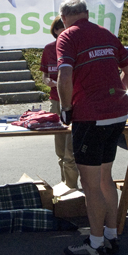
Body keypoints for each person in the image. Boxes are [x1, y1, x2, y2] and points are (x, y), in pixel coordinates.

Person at [56, 0, 128, 255]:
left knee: (90, 185)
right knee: (105, 178)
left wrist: (66, 108)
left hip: (90, 118)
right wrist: (117, 93)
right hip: (116, 115)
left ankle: (94, 243)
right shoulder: (105, 33)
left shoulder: (68, 37)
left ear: (64, 17)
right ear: (86, 14)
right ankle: (111, 235)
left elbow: (64, 76)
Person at [40, 16, 79, 190]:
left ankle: (71, 187)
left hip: (74, 100)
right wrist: (47, 81)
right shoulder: (48, 49)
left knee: (71, 149)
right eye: (62, 28)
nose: (65, 30)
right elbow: (44, 75)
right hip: (55, 100)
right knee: (60, 149)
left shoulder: (75, 46)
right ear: (55, 30)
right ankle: (64, 184)